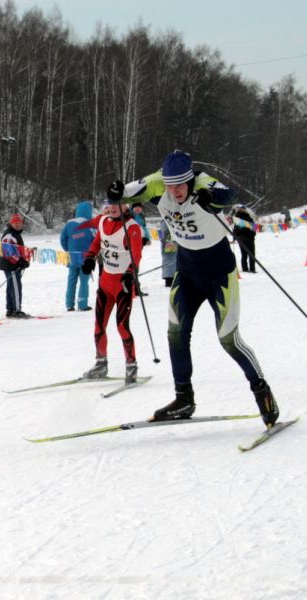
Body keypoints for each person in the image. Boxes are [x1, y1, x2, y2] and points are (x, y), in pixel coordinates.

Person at [123, 150, 279, 427]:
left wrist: (212, 199)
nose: (175, 191)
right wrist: (115, 193)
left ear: (190, 180)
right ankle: (183, 399)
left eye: (180, 186)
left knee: (229, 340)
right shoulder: (159, 182)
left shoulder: (203, 181)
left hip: (219, 275)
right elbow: (125, 193)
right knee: (175, 334)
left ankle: (262, 393)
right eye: (170, 186)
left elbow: (228, 194)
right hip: (187, 274)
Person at [80, 181, 144, 383]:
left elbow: (136, 254)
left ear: (125, 205)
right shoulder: (103, 221)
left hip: (123, 286)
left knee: (122, 327)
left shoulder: (132, 228)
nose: (113, 207)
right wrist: (90, 257)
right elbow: (98, 241)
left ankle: (131, 366)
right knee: (99, 326)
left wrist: (130, 273)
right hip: (105, 284)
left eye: (118, 203)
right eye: (110, 203)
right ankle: (101, 364)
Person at [59, 200, 96, 311]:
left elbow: (62, 239)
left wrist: (68, 249)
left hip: (72, 257)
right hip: (86, 257)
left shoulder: (69, 224)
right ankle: (82, 304)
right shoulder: (91, 224)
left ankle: (69, 304)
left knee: (71, 280)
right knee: (84, 281)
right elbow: (96, 241)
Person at [0, 213, 31, 318]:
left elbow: (18, 249)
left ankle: (10, 309)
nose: (18, 225)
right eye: (15, 223)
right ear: (11, 223)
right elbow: (8, 252)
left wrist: (24, 259)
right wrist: (19, 261)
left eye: (19, 223)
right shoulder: (9, 235)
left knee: (11, 286)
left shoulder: (15, 233)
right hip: (10, 265)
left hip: (12, 264)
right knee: (16, 286)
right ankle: (17, 309)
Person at [231, 204, 257, 272]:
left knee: (244, 254)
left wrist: (234, 238)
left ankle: (245, 269)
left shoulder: (237, 219)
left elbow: (235, 229)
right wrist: (253, 235)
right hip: (248, 237)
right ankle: (252, 269)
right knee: (251, 254)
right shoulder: (248, 217)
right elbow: (254, 227)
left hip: (240, 238)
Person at [158, 220, 177, 287]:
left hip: (169, 242)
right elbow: (162, 234)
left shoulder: (165, 221)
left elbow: (160, 234)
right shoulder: (165, 221)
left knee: (171, 260)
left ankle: (171, 278)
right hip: (169, 243)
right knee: (170, 261)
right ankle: (169, 280)